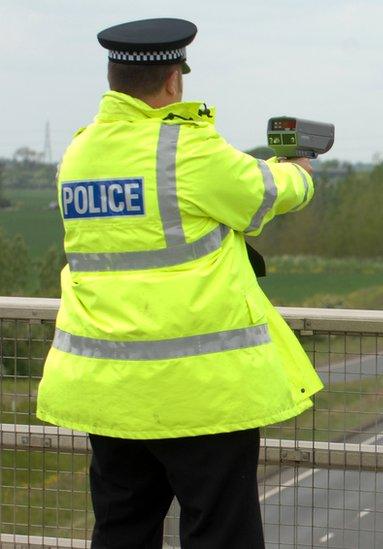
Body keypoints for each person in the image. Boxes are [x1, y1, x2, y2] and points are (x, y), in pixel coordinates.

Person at [35, 18, 323, 548]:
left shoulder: (78, 153)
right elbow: (264, 191)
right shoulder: (185, 150)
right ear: (173, 81)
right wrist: (301, 170)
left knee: (122, 528)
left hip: (109, 388)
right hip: (201, 392)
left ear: (113, 78)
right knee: (220, 531)